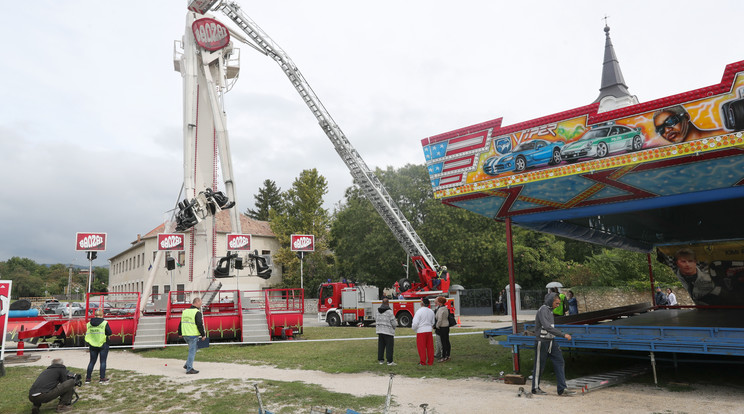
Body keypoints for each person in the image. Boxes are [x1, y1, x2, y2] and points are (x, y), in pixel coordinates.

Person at [531, 293, 575, 396]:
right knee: (539, 366)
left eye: (559, 303)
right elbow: (547, 327)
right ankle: (535, 388)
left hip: (551, 341)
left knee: (560, 361)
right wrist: (563, 335)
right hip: (542, 341)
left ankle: (562, 389)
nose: (558, 305)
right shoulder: (543, 310)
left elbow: (550, 328)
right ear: (551, 301)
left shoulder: (550, 311)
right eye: (557, 303)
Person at [647, 105, 714, 147]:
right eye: (660, 129)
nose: (667, 130)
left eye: (670, 121)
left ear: (686, 117)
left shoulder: (716, 136)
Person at [179, 297, 206, 374]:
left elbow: (181, 323)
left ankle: (187, 364)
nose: (201, 304)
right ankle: (189, 369)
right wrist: (203, 335)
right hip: (193, 335)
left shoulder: (185, 311)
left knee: (194, 349)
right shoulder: (197, 312)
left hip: (185, 335)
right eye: (200, 303)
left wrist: (180, 333)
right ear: (197, 302)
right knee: (192, 351)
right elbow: (199, 324)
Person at [85, 308, 112, 384]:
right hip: (103, 343)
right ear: (102, 315)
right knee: (102, 361)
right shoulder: (104, 323)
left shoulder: (89, 324)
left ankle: (88, 378)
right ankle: (102, 378)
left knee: (92, 361)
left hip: (92, 344)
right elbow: (109, 332)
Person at [410, 297, 436, 366]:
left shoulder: (419, 311)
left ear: (422, 304)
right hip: (429, 331)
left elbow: (415, 323)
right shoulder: (431, 311)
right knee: (430, 347)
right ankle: (430, 362)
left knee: (422, 347)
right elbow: (433, 322)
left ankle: (423, 362)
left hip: (421, 331)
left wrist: (415, 329)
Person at [375, 298, 396, 366]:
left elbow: (376, 319)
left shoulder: (377, 311)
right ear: (388, 303)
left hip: (380, 331)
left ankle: (381, 360)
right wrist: (394, 327)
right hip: (388, 331)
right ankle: (389, 361)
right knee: (389, 347)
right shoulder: (389, 312)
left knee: (381, 346)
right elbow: (393, 322)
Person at [434, 296, 451, 362]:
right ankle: (448, 355)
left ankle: (443, 357)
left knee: (443, 342)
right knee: (447, 341)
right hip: (446, 326)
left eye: (438, 301)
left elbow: (440, 319)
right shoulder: (445, 308)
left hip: (442, 327)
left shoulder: (441, 309)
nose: (437, 302)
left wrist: (437, 326)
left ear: (440, 302)